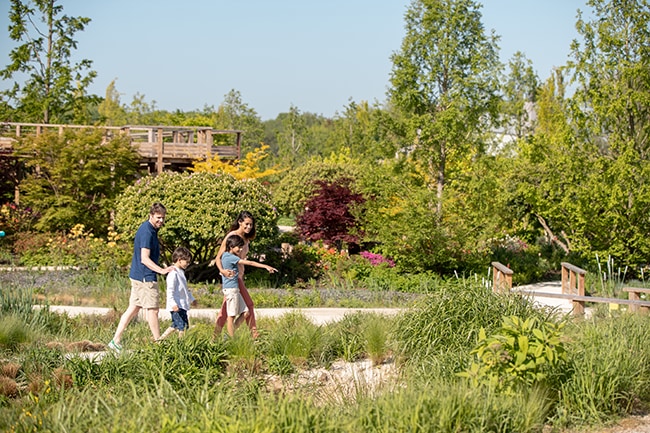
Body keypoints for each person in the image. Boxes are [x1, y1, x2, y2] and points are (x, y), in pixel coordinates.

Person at [108, 203, 174, 352]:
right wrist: (162, 271)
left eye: (163, 218)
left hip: (138, 275)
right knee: (153, 310)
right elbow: (145, 258)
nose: (161, 221)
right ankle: (158, 343)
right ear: (150, 215)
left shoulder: (150, 229)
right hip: (145, 277)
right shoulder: (147, 232)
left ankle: (115, 340)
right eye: (158, 218)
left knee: (133, 308)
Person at [213, 211, 260, 338]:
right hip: (232, 277)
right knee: (248, 306)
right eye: (247, 224)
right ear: (240, 222)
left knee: (227, 310)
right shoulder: (231, 237)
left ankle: (218, 337)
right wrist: (222, 271)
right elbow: (218, 258)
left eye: (251, 225)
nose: (249, 227)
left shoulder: (246, 239)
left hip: (239, 277)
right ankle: (254, 335)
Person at [220, 234, 277, 337]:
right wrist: (265, 266)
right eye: (239, 247)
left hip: (234, 289)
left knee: (246, 312)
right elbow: (249, 263)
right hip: (231, 290)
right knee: (231, 316)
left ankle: (228, 335)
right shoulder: (230, 257)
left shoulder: (224, 255)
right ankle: (231, 340)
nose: (241, 250)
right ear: (231, 246)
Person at [158, 246, 196, 341]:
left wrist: (192, 299)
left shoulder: (181, 273)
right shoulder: (173, 274)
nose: (188, 264)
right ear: (179, 260)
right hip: (176, 305)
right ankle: (180, 345)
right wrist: (173, 303)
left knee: (176, 325)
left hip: (182, 305)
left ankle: (160, 340)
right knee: (182, 327)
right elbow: (170, 290)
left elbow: (185, 289)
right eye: (186, 261)